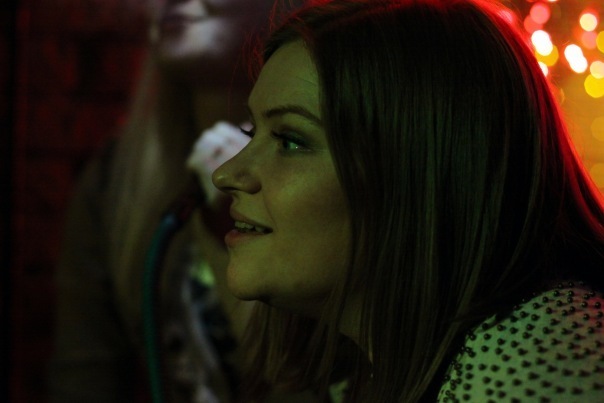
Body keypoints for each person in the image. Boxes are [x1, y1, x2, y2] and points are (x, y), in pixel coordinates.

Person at [211, 0, 604, 401]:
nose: (225, 174)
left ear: (424, 170)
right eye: (251, 133)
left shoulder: (533, 365)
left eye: (291, 141)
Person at [48, 1, 307, 402]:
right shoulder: (114, 179)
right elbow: (83, 377)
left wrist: (235, 230)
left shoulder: (330, 173)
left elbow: (315, 383)